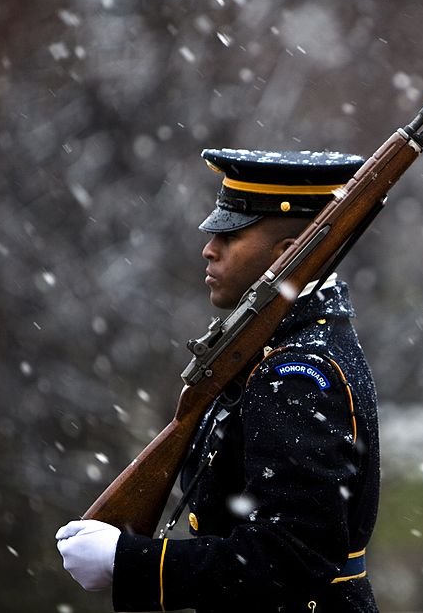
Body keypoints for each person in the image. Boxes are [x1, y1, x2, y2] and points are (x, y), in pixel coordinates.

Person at [56, 149, 381, 612]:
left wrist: (131, 561)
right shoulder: (281, 343)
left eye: (231, 235)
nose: (209, 248)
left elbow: (291, 557)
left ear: (287, 255)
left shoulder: (295, 374)